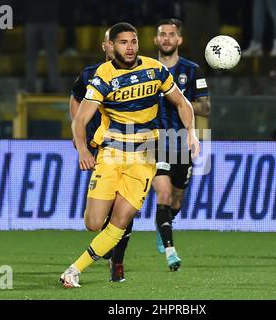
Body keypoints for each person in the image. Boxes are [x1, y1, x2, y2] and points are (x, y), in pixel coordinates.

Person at [60, 22, 199, 288]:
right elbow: (80, 119)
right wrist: (82, 149)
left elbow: (182, 102)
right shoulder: (102, 75)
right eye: (124, 42)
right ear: (112, 46)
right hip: (111, 154)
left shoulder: (155, 70)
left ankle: (74, 271)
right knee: (93, 223)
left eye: (133, 41)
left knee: (122, 220)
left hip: (145, 156)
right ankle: (104, 254)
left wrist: (191, 132)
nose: (130, 47)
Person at [69, 28, 134, 283]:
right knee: (99, 215)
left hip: (127, 147)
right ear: (106, 46)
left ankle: (117, 261)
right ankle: (107, 250)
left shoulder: (136, 74)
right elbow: (75, 99)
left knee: (124, 208)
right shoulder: (90, 74)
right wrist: (79, 136)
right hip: (99, 145)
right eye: (116, 42)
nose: (120, 47)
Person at [152, 18, 210, 271]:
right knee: (163, 194)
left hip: (183, 142)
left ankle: (163, 225)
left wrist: (180, 100)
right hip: (154, 142)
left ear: (179, 40)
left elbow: (206, 107)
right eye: (162, 34)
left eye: (171, 34)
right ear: (156, 39)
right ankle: (170, 250)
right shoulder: (146, 70)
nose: (166, 38)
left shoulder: (192, 70)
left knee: (177, 200)